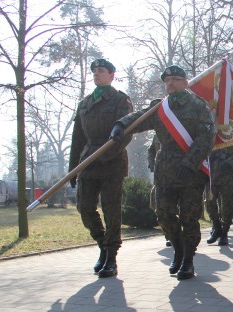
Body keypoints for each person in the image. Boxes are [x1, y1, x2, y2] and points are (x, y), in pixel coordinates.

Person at [110, 65, 215, 280]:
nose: (171, 83)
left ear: (186, 83)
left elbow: (207, 137)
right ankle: (178, 249)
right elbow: (139, 118)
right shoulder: (160, 108)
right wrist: (121, 124)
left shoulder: (198, 106)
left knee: (189, 217)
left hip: (190, 172)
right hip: (165, 171)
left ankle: (188, 259)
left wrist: (190, 163)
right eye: (167, 80)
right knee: (164, 214)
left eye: (176, 79)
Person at [69, 59, 133, 278]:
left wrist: (105, 156)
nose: (97, 73)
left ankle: (111, 256)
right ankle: (102, 245)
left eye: (101, 71)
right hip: (87, 162)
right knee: (85, 208)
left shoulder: (119, 100)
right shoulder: (85, 103)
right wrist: (73, 169)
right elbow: (77, 138)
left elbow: (126, 132)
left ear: (112, 75)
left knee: (111, 210)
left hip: (111, 163)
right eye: (94, 71)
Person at [205, 146, 233, 246]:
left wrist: (228, 163)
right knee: (209, 202)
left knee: (227, 204)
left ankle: (224, 232)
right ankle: (216, 227)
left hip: (227, 175)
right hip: (211, 174)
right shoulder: (209, 131)